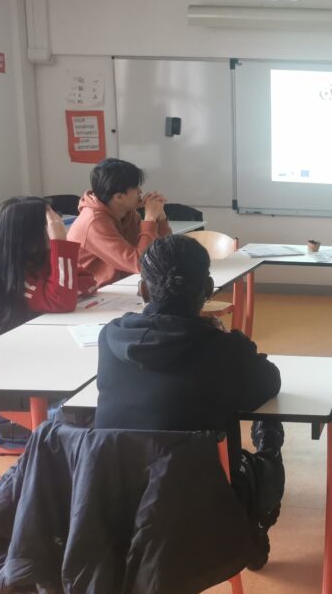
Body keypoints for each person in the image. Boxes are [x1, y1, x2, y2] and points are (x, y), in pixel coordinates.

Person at [94, 234, 285, 570]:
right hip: (203, 505)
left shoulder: (110, 338)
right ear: (209, 289)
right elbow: (268, 382)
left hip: (119, 506)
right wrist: (234, 341)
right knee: (269, 427)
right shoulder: (223, 349)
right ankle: (251, 537)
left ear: (143, 289)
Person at [0, 196, 96, 449]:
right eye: (50, 222)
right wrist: (61, 243)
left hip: (40, 360)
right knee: (92, 412)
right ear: (30, 235)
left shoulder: (33, 261)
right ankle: (8, 423)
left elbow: (86, 282)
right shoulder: (3, 276)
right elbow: (63, 299)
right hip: (13, 378)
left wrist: (60, 263)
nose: (57, 223)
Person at [67, 158, 172, 287]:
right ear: (119, 197)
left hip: (121, 287)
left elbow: (163, 253)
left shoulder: (127, 212)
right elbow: (141, 264)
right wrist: (149, 219)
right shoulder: (94, 222)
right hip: (94, 296)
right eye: (135, 187)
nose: (140, 191)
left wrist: (160, 218)